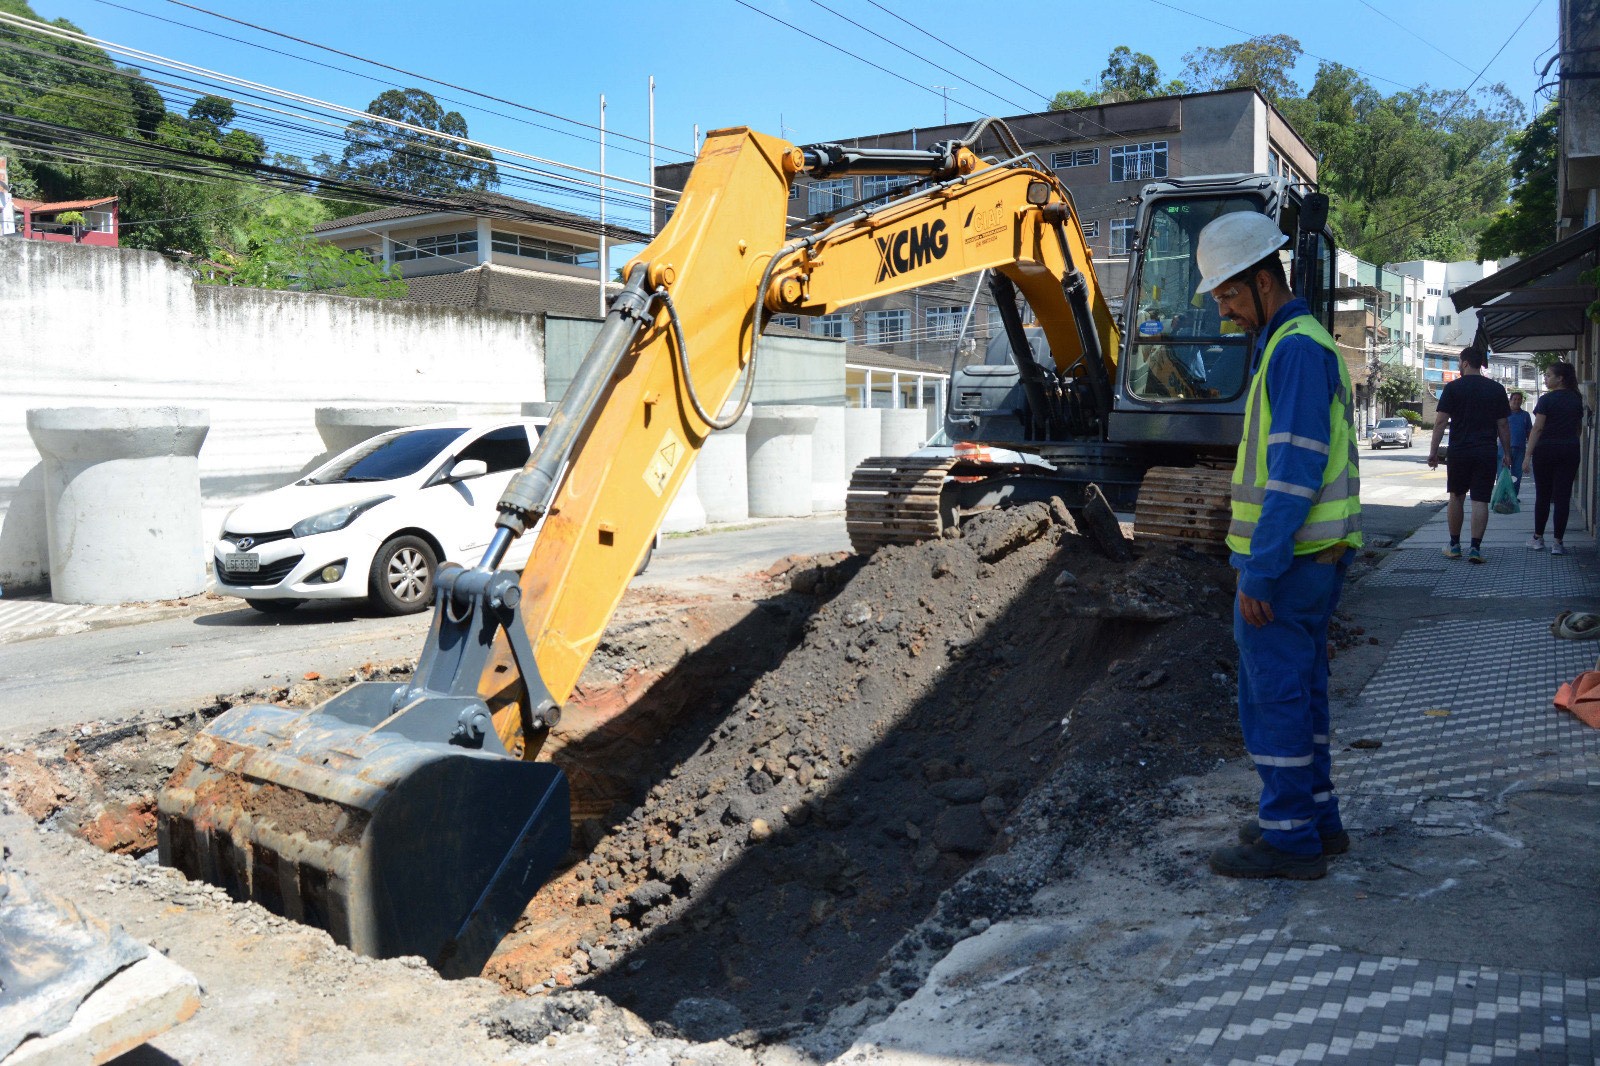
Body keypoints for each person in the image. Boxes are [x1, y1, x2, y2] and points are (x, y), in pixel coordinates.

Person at [1192, 211, 1362, 881]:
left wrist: (1259, 572)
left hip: (1287, 570)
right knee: (1304, 692)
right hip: (1315, 563)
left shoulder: (1292, 348)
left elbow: (1291, 471)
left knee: (1273, 701)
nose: (1226, 311)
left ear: (1264, 280)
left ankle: (1288, 837)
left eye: (1231, 295)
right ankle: (1317, 821)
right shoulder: (1301, 343)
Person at [1428, 346, 1510, 563]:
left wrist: (1433, 452)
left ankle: (1454, 545)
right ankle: (1475, 549)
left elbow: (1440, 422)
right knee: (1480, 500)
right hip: (1486, 451)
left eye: (1458, 363)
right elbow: (1503, 425)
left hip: (1459, 451)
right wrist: (1508, 453)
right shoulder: (1496, 389)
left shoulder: (1453, 388)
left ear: (1465, 363)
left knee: (1456, 496)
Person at [1525, 361, 1585, 554]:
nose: (1546, 378)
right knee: (1562, 497)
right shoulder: (1577, 399)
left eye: (1549, 375)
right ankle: (1558, 543)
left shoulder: (1546, 400)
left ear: (1560, 379)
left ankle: (1538, 538)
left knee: (1543, 495)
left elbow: (1538, 428)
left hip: (1546, 450)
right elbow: (1578, 428)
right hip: (1569, 450)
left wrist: (1527, 455)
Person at [1503, 391, 1532, 496]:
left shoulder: (1525, 415)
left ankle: (1513, 496)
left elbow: (1529, 432)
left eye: (1519, 399)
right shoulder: (1504, 414)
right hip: (1504, 448)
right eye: (1514, 399)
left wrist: (1530, 448)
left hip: (1520, 448)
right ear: (1510, 400)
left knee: (1516, 474)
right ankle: (1502, 495)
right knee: (1503, 473)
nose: (1516, 401)